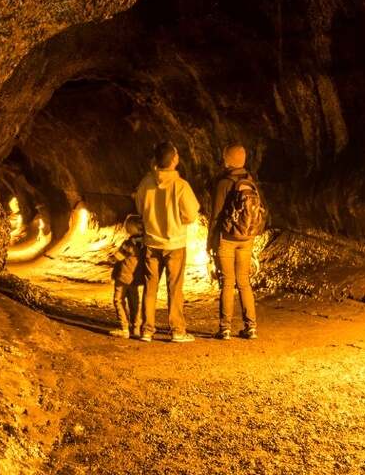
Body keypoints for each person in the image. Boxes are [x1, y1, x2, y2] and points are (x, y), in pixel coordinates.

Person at [132, 141, 200, 343]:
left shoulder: (146, 183)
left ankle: (147, 330)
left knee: (150, 287)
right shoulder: (180, 186)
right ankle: (177, 330)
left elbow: (139, 209)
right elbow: (191, 215)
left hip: (152, 242)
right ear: (174, 160)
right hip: (175, 244)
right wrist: (177, 222)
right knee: (175, 288)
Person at [209, 144, 265, 340]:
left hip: (228, 238)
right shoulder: (251, 182)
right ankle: (251, 327)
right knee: (244, 282)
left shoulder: (224, 183)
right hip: (246, 238)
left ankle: (225, 328)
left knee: (227, 282)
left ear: (228, 160)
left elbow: (216, 216)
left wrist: (210, 241)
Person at [109, 215, 146, 338]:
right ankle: (136, 328)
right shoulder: (146, 244)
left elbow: (118, 257)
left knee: (118, 300)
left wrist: (111, 258)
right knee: (134, 302)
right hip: (135, 278)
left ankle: (124, 327)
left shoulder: (128, 244)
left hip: (123, 277)